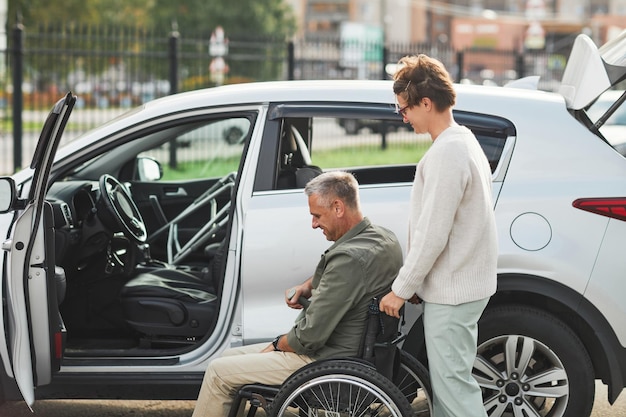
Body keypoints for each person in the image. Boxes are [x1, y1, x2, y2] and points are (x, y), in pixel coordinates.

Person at [192, 171, 403, 417]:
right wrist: (308, 285)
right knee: (228, 357)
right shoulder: (383, 238)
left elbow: (309, 337)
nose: (313, 224)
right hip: (357, 351)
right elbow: (351, 278)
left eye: (316, 215)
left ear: (338, 207)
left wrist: (277, 344)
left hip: (325, 359)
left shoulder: (347, 259)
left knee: (219, 372)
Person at [379, 54, 498, 417]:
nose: (403, 117)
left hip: (454, 290)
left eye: (404, 109)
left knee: (454, 391)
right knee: (450, 388)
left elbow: (433, 234)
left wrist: (400, 289)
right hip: (461, 285)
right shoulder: (464, 141)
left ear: (425, 103)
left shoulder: (448, 152)